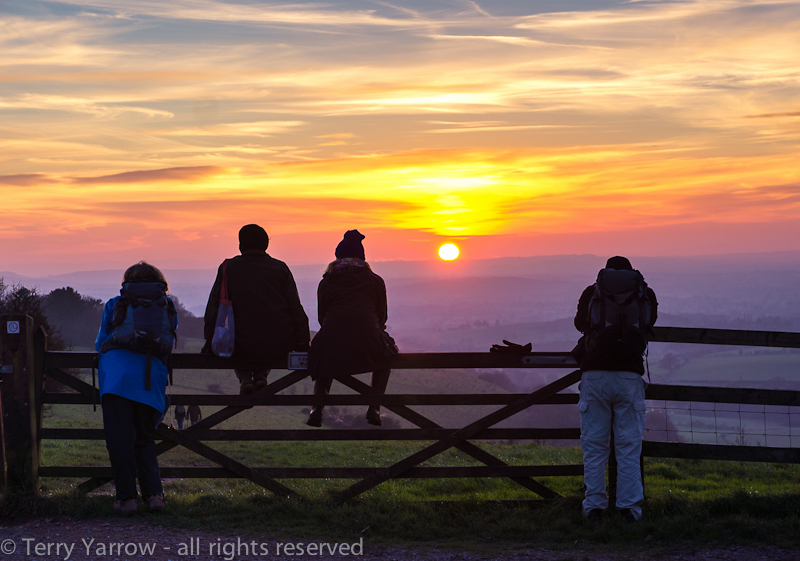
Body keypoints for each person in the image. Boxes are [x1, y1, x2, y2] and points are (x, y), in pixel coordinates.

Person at [574, 256, 657, 522]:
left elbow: (579, 323)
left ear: (605, 273)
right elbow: (649, 323)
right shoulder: (644, 293)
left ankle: (594, 508)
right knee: (628, 447)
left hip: (595, 374)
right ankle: (629, 509)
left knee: (595, 448)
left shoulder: (592, 292)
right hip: (629, 376)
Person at [95, 261, 176, 515]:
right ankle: (154, 496)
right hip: (149, 380)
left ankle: (126, 499)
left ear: (127, 282)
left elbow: (100, 343)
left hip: (116, 380)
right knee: (144, 438)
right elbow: (169, 341)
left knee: (120, 441)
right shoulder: (166, 305)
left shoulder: (115, 304)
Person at [203, 224, 310, 394]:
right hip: (278, 344)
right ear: (266, 244)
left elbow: (214, 307)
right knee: (265, 342)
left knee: (240, 344)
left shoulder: (228, 268)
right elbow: (294, 308)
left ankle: (246, 378)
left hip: (238, 344)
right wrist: (303, 342)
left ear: (241, 245)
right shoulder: (280, 269)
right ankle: (261, 375)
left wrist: (210, 340)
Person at [306, 230, 397, 427]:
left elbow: (322, 317)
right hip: (369, 340)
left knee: (323, 352)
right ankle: (374, 406)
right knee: (387, 355)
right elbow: (381, 317)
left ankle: (317, 409)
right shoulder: (375, 280)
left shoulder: (327, 282)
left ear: (337, 258)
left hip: (333, 340)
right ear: (362, 258)